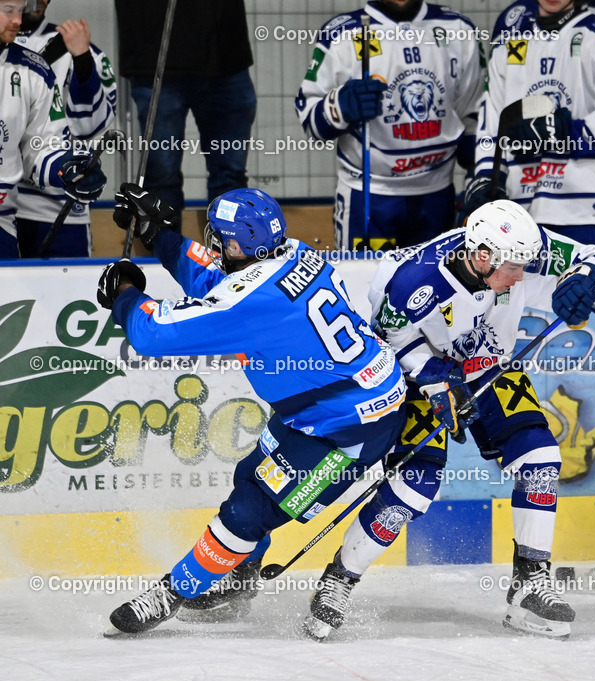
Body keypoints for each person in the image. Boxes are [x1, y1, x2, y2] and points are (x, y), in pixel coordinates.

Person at [300, 199, 595, 640]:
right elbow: (386, 341)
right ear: (482, 256)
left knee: (540, 457)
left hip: (489, 367)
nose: (522, 277)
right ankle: (339, 580)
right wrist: (434, 379)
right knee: (414, 488)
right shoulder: (413, 279)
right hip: (418, 378)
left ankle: (529, 581)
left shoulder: (519, 246)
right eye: (513, 268)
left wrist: (590, 281)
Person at [100, 185, 407, 635]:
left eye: (220, 238)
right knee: (249, 475)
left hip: (350, 428)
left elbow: (152, 334)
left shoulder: (255, 300)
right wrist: (158, 234)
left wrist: (124, 292)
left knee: (248, 512)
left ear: (240, 245)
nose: (215, 244)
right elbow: (221, 283)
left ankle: (171, 593)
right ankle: (240, 577)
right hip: (326, 406)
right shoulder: (296, 253)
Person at [296, 0, 484, 251]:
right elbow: (310, 121)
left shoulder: (458, 29)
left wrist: (479, 176)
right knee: (363, 285)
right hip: (368, 197)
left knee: (437, 286)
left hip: (438, 195)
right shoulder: (341, 35)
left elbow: (476, 116)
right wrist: (340, 105)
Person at [466, 0, 595, 246]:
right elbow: (492, 123)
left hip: (585, 209)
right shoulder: (507, 43)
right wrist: (487, 176)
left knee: (586, 284)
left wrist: (566, 131)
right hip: (520, 213)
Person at [114, 0, 257, 232]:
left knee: (230, 175)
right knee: (161, 177)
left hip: (225, 55)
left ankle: (232, 253)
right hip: (153, 54)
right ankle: (166, 258)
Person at [0, 0, 107, 259]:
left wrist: (66, 168)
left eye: (20, 9)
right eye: (8, 10)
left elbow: (41, 146)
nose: (18, 20)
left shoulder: (33, 70)